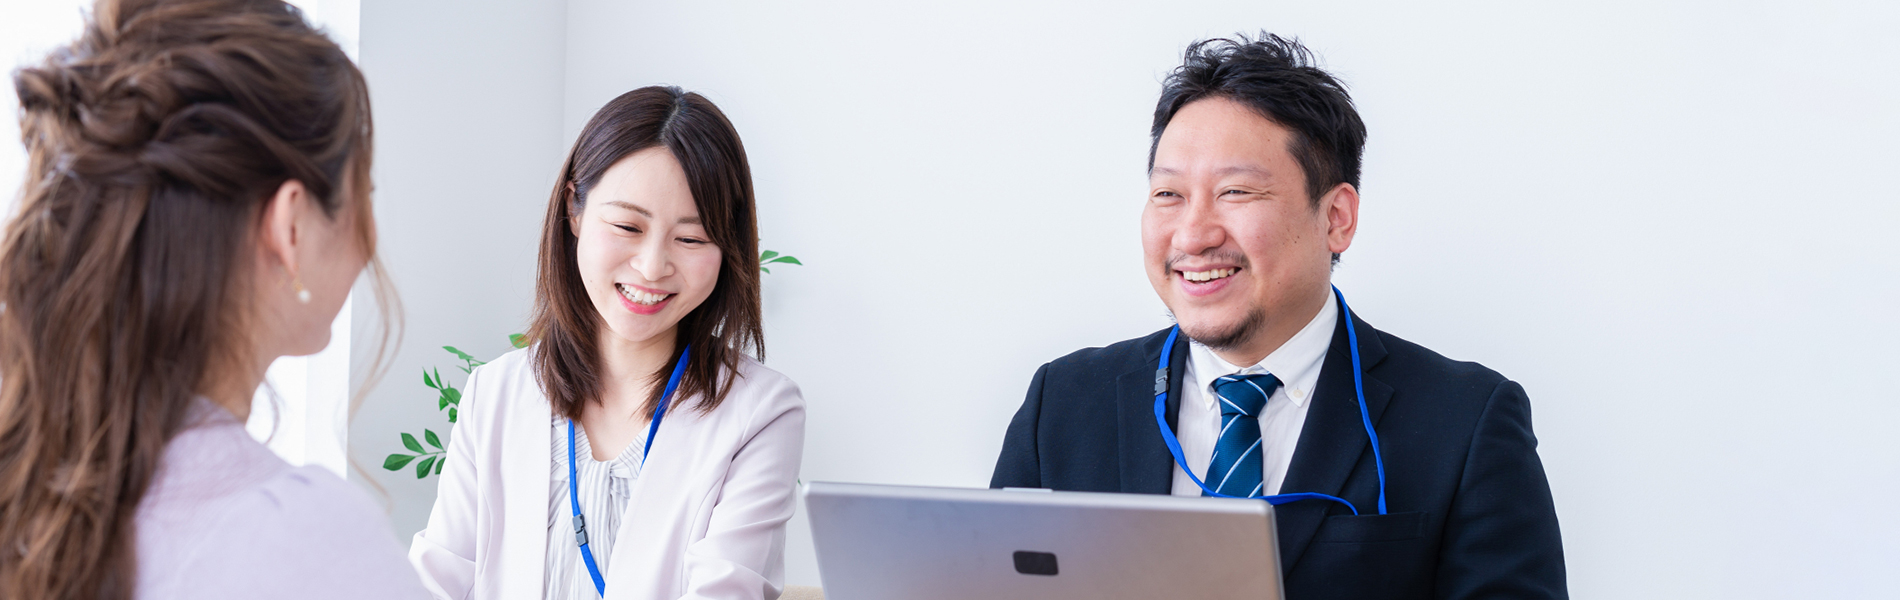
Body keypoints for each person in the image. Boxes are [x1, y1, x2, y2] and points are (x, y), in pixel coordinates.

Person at [990, 33, 1566, 599]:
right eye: (1168, 195)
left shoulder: (1465, 421)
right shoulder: (1063, 403)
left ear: (1336, 218)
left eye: (1236, 192)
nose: (1193, 235)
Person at [0, 0, 424, 598]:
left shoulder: (31, 477)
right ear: (291, 226)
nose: (371, 236)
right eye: (364, 193)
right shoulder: (302, 542)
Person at [409, 86, 806, 600]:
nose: (652, 267)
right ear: (574, 210)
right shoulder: (495, 393)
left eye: (690, 238)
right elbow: (435, 583)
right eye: (626, 226)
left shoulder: (761, 412)